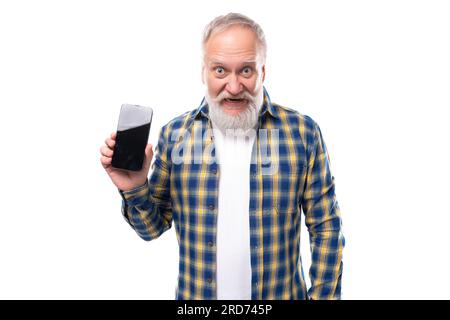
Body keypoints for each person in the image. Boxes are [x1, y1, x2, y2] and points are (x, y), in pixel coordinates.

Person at [100, 13, 345, 300]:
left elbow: (326, 227)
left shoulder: (302, 132)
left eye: (246, 71)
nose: (233, 86)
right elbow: (151, 229)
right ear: (203, 72)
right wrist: (134, 187)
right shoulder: (175, 134)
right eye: (220, 71)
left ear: (263, 71)